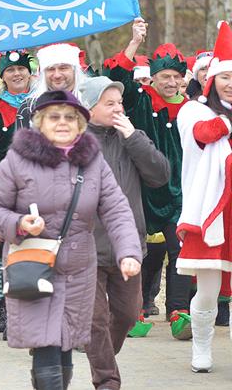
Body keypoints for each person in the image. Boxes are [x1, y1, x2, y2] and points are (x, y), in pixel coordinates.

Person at [0, 90, 141, 390]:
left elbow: (116, 209)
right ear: (39, 122)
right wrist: (19, 223)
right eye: (54, 117)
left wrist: (128, 252)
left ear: (81, 124)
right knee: (46, 343)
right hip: (34, 264)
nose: (63, 122)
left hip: (79, 269)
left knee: (65, 341)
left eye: (70, 117)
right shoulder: (17, 161)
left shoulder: (93, 162)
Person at [77, 76, 169, 389]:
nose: (118, 109)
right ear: (90, 108)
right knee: (95, 319)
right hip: (85, 247)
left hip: (127, 246)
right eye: (110, 103)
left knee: (128, 315)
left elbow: (160, 175)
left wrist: (133, 138)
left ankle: (99, 353)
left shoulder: (132, 137)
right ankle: (107, 380)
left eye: (119, 102)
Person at [103, 18, 193, 338]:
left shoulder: (191, 109)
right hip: (139, 190)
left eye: (176, 77)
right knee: (140, 252)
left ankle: (179, 311)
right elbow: (116, 78)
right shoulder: (139, 100)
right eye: (165, 76)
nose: (171, 82)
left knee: (180, 249)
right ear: (153, 76)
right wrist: (134, 43)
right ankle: (135, 311)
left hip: (178, 192)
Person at [174, 21, 232, 373]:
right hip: (213, 211)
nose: (231, 84)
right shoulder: (194, 109)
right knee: (209, 290)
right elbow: (204, 134)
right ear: (211, 79)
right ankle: (201, 347)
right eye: (225, 77)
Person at [0, 49, 34, 336]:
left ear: (29, 73)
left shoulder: (41, 103)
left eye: (21, 69)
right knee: (3, 248)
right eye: (10, 71)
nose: (16, 74)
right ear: (2, 77)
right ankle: (5, 307)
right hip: (6, 187)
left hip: (39, 186)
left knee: (34, 246)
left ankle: (29, 306)